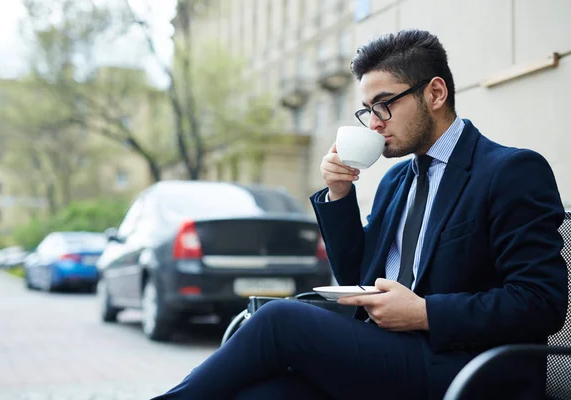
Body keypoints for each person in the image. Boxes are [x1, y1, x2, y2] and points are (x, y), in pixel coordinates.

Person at [151, 29, 567, 400]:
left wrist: (424, 312)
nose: (373, 124)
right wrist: (339, 193)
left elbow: (541, 302)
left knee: (279, 319)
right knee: (264, 393)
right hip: (386, 356)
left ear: (435, 94)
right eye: (367, 109)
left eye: (384, 105)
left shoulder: (510, 171)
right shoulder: (395, 181)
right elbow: (358, 275)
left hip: (465, 368)